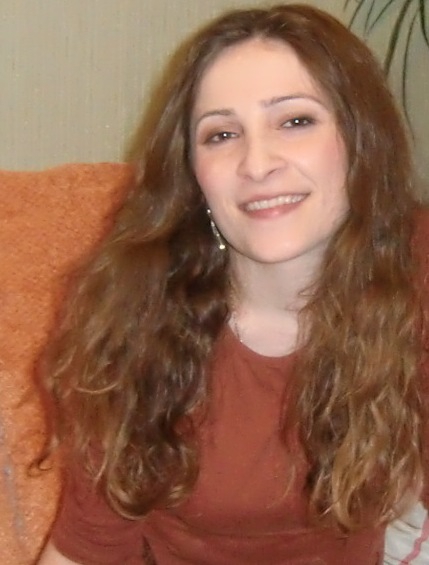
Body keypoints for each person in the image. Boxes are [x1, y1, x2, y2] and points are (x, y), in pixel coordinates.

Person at [37, 3, 429, 564]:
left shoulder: (415, 275)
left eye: (295, 121)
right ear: (193, 174)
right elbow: (88, 547)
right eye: (221, 134)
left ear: (360, 138)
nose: (257, 163)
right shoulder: (133, 319)